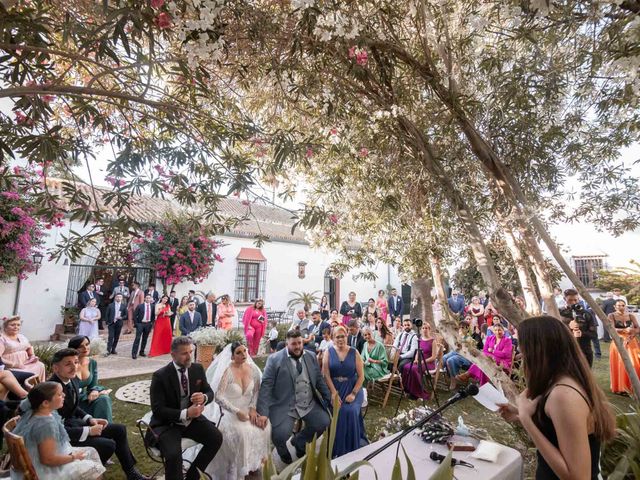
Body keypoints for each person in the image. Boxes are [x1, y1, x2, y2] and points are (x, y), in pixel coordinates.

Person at [498, 316, 615, 480]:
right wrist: (519, 415)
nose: (520, 355)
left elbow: (578, 477)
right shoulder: (561, 382)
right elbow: (557, 429)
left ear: (538, 352)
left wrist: (526, 419)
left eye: (523, 350)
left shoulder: (563, 396)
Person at [49, 348, 148, 480]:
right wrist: (88, 431)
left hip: (76, 425)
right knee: (108, 445)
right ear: (56, 368)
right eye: (68, 364)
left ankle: (131, 472)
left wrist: (90, 419)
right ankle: (88, 472)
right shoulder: (51, 391)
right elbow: (56, 430)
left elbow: (74, 406)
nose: (74, 367)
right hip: (64, 438)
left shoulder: (70, 379)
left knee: (119, 429)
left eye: (76, 362)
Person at [148, 337, 223, 480]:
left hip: (192, 422)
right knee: (173, 455)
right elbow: (158, 410)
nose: (189, 356)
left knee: (216, 438)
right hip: (167, 424)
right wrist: (185, 413)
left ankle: (192, 476)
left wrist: (204, 398)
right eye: (184, 353)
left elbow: (209, 392)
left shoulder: (197, 369)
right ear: (173, 355)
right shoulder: (160, 376)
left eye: (191, 351)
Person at [256, 330, 331, 468]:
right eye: (293, 344)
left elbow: (319, 380)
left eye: (299, 343)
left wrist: (329, 398)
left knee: (324, 422)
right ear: (287, 344)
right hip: (285, 404)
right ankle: (283, 452)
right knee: (279, 435)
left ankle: (299, 442)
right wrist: (263, 413)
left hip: (308, 402)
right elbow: (266, 387)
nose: (297, 346)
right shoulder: (274, 360)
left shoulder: (311, 356)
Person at [203, 342, 270, 479]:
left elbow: (257, 391)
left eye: (244, 351)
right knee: (241, 432)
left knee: (265, 426)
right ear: (232, 356)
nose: (243, 354)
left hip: (247, 410)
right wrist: (237, 411)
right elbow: (219, 397)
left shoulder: (253, 370)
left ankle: (253, 464)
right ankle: (236, 470)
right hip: (230, 412)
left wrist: (252, 408)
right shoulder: (227, 371)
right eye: (239, 352)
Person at [12, 382, 105, 480]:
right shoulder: (45, 424)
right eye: (60, 394)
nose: (64, 395)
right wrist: (74, 457)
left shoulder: (38, 412)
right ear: (45, 403)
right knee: (95, 469)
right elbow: (48, 459)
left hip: (44, 459)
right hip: (44, 471)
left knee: (91, 451)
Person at [323, 326, 368, 457]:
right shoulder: (328, 352)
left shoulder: (354, 352)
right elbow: (326, 374)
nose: (340, 339)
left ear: (347, 336)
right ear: (333, 338)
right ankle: (337, 447)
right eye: (337, 336)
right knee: (337, 410)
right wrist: (333, 392)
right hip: (335, 388)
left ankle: (352, 446)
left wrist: (354, 393)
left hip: (353, 387)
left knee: (350, 410)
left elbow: (361, 376)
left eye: (343, 336)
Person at [67, 336, 113, 423]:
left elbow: (93, 385)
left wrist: (95, 390)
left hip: (86, 399)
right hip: (71, 403)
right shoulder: (68, 365)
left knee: (104, 399)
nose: (85, 348)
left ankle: (106, 429)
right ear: (73, 348)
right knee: (102, 399)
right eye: (81, 346)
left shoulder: (92, 363)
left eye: (87, 344)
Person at [607, 299, 640, 394]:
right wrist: (624, 330)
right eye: (618, 305)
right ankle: (621, 387)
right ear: (614, 306)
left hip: (631, 341)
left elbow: (637, 328)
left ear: (625, 306)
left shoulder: (631, 315)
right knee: (620, 363)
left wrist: (632, 334)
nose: (620, 307)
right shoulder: (611, 315)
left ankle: (634, 386)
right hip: (618, 341)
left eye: (622, 305)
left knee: (634, 362)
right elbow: (611, 328)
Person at [559, 288, 598, 367]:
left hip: (584, 350)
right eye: (570, 300)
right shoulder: (559, 313)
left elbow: (594, 334)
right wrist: (568, 328)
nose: (573, 302)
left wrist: (581, 333)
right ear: (564, 299)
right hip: (566, 350)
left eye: (576, 300)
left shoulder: (586, 314)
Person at [0, 316, 46, 381]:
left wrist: (32, 356)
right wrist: (15, 364)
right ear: (5, 327)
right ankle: (28, 387)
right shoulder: (2, 339)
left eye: (18, 325)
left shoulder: (21, 336)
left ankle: (38, 387)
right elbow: (0, 358)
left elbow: (29, 347)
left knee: (40, 365)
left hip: (25, 362)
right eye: (12, 325)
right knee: (27, 372)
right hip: (10, 366)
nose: (16, 327)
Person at [401, 323, 438, 400]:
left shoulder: (433, 341)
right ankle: (408, 389)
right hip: (419, 361)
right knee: (406, 367)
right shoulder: (420, 340)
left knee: (414, 369)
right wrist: (416, 359)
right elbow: (418, 352)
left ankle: (416, 392)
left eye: (426, 328)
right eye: (423, 328)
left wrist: (422, 362)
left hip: (428, 363)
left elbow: (434, 357)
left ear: (429, 330)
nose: (424, 330)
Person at [442, 322, 473, 390]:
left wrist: (461, 341)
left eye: (463, 327)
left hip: (466, 357)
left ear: (467, 329)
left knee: (450, 360)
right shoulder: (458, 337)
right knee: (444, 357)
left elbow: (466, 351)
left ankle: (455, 378)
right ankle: (439, 370)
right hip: (457, 353)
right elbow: (456, 347)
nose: (461, 329)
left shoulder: (469, 338)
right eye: (460, 327)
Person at [132, 294, 156, 359]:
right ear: (145, 298)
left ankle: (142, 352)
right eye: (147, 298)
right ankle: (134, 353)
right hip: (140, 324)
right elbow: (134, 315)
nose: (148, 299)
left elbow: (153, 316)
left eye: (149, 298)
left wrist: (151, 323)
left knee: (145, 339)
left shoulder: (152, 306)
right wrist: (136, 323)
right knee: (137, 338)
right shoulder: (140, 306)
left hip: (148, 324)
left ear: (151, 299)